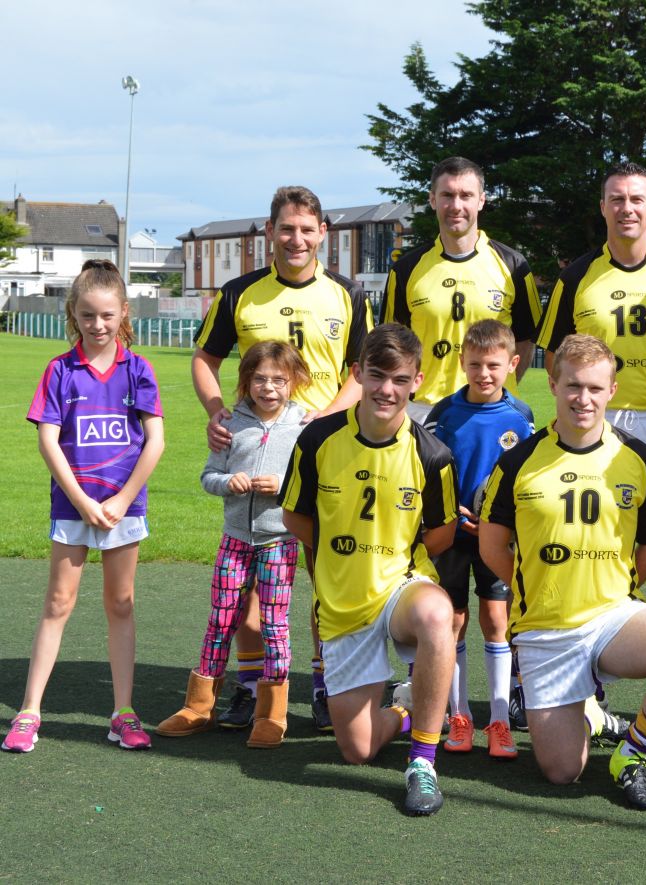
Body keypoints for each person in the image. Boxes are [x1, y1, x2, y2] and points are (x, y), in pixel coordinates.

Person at [478, 334, 646, 811]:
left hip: (612, 616)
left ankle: (632, 752)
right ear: (553, 384)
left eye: (594, 388)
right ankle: (588, 712)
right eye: (572, 386)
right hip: (546, 630)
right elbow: (492, 546)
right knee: (562, 772)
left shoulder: (639, 458)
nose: (582, 399)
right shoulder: (518, 461)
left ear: (612, 391)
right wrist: (538, 589)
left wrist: (622, 586)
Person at [192, 185, 373, 732]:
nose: (296, 238)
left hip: (325, 449)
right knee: (250, 570)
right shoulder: (240, 292)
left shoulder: (347, 294)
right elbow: (205, 357)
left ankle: (324, 682)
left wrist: (325, 419)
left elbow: (361, 370)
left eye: (306, 229)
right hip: (258, 444)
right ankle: (249, 687)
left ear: (324, 234)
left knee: (326, 575)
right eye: (286, 228)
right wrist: (219, 409)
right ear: (270, 232)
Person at [279, 323, 459, 816]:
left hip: (401, 586)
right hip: (342, 605)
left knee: (437, 617)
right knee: (356, 751)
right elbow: (295, 515)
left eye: (399, 379)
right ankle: (408, 707)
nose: (386, 389)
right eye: (376, 376)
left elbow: (440, 536)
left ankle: (423, 761)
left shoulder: (432, 455)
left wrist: (382, 550)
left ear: (417, 381)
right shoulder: (317, 439)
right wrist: (345, 556)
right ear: (356, 373)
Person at [3, 260, 165, 753]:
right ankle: (30, 711)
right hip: (73, 508)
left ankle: (122, 712)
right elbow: (49, 442)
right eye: (88, 315)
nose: (98, 325)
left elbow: (154, 442)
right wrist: (80, 499)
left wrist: (118, 499)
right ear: (73, 313)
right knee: (58, 603)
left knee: (121, 604)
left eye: (107, 315)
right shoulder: (60, 370)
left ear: (123, 314)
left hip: (123, 508)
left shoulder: (138, 368)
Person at [536, 162, 646, 622]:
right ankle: (591, 674)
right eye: (617, 199)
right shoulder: (577, 277)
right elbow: (555, 354)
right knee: (592, 544)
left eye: (635, 199)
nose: (626, 208)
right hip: (598, 421)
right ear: (603, 207)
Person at [156, 341, 310, 747]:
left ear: (294, 382)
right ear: (246, 382)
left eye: (279, 380)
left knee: (275, 624)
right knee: (221, 619)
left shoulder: (304, 428)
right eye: (259, 379)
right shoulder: (231, 423)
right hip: (235, 541)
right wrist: (228, 483)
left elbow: (312, 488)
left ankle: (271, 714)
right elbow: (209, 476)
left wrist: (282, 488)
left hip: (279, 542)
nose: (269, 388)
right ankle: (198, 706)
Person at [422, 320, 535, 760]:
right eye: (474, 364)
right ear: (461, 362)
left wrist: (497, 521)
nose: (483, 373)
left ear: (512, 363)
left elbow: (528, 476)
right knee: (452, 621)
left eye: (493, 365)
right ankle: (459, 714)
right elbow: (429, 469)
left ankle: (500, 719)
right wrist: (451, 513)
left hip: (496, 535)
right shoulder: (444, 413)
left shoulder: (520, 417)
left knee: (495, 619)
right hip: (452, 531)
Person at [382, 156, 543, 416]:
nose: (456, 205)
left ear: (481, 200)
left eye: (466, 195)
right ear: (433, 199)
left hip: (492, 408)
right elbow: (392, 343)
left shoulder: (513, 265)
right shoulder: (406, 269)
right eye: (447, 195)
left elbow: (526, 339)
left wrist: (500, 386)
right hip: (423, 409)